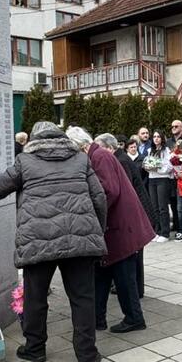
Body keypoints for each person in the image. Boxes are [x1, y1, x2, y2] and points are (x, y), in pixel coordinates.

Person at [0, 121, 107, 362]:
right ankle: (86, 355)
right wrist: (96, 231)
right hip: (79, 239)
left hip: (38, 240)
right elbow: (99, 198)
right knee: (83, 298)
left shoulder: (25, 161)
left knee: (35, 297)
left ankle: (35, 349)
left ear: (33, 138)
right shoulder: (80, 159)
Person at [67, 126, 154, 334]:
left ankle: (134, 318)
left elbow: (108, 191)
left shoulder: (99, 157)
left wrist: (89, 213)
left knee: (123, 276)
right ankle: (98, 318)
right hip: (114, 225)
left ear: (81, 147)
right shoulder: (96, 156)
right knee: (102, 272)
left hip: (120, 225)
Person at [104, 133, 156, 298]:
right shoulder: (122, 158)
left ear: (110, 147)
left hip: (136, 210)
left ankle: (136, 291)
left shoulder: (121, 161)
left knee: (133, 253)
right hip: (139, 208)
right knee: (135, 253)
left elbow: (123, 188)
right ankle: (135, 289)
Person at [144, 130, 172, 242]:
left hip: (163, 179)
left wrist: (157, 167)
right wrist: (147, 167)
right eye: (154, 136)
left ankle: (165, 233)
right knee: (154, 206)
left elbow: (169, 166)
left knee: (162, 207)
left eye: (158, 137)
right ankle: (157, 230)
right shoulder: (150, 150)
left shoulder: (166, 151)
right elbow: (146, 164)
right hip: (152, 179)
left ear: (162, 138)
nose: (156, 139)